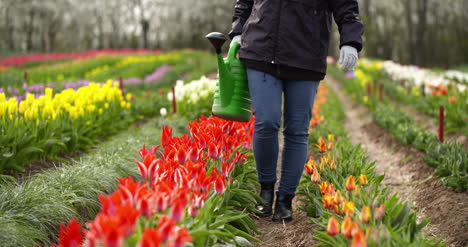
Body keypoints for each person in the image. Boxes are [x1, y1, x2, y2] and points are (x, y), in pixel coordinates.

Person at [228, 0, 364, 222]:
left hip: (306, 55)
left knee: (297, 131)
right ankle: (266, 191)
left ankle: (285, 200)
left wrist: (350, 40)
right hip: (260, 49)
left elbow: (346, 6)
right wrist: (237, 30)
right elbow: (244, 3)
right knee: (266, 122)